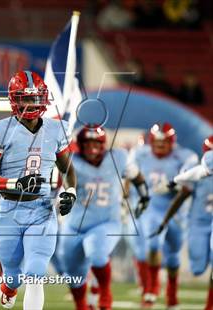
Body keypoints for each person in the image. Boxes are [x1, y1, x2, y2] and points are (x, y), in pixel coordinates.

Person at [0, 70, 77, 310]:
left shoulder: (56, 129)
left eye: (35, 98)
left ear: (43, 98)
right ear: (14, 100)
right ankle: (8, 287)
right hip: (9, 210)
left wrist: (71, 193)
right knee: (12, 274)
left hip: (42, 210)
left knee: (36, 272)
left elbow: (68, 170)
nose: (31, 104)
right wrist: (15, 183)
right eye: (25, 98)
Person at [58, 125, 150, 310]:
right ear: (80, 145)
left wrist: (144, 196)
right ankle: (81, 305)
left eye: (96, 143)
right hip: (74, 225)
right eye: (87, 143)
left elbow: (137, 176)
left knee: (97, 253)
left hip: (106, 221)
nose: (92, 148)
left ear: (103, 144)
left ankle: (105, 293)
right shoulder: (70, 161)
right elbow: (58, 186)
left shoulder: (118, 158)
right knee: (73, 274)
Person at [132, 123, 198, 308]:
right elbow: (128, 173)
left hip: (175, 209)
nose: (160, 146)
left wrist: (172, 184)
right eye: (157, 142)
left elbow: (189, 176)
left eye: (164, 142)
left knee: (173, 255)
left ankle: (171, 292)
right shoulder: (140, 153)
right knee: (153, 244)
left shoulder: (185, 156)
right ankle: (151, 289)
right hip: (152, 207)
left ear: (172, 142)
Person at [151, 135, 213, 310]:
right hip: (199, 222)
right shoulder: (203, 169)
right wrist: (165, 221)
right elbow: (184, 192)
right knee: (198, 268)